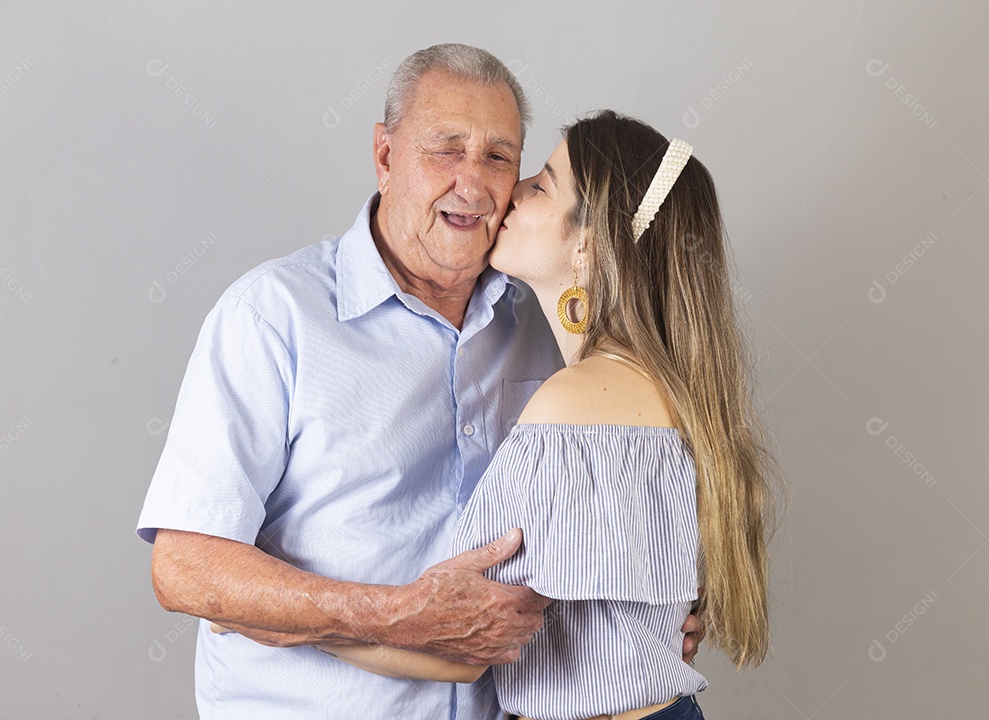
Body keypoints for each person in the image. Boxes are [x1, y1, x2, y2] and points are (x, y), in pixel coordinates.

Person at [138, 44, 702, 719]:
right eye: (445, 149)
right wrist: (391, 614)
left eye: (500, 157)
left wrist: (643, 628)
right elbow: (184, 567)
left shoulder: (548, 327)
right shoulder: (271, 318)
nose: (476, 184)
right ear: (384, 156)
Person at [305, 112, 778, 720]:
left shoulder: (571, 405)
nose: (514, 192)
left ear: (588, 242)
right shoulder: (677, 396)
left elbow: (464, 646)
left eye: (543, 185)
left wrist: (292, 625)